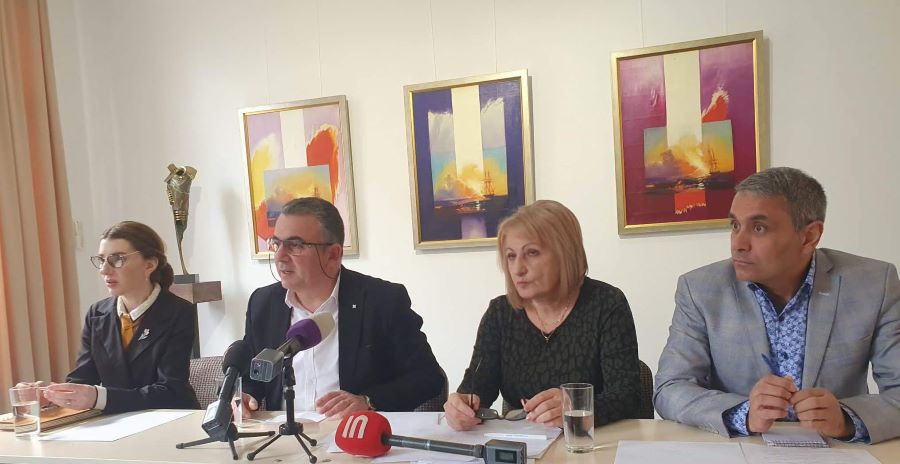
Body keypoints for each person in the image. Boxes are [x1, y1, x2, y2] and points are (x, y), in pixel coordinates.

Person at [654, 167, 900, 444]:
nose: (738, 244)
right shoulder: (701, 289)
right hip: (740, 450)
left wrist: (846, 419)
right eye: (735, 226)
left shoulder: (873, 284)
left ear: (809, 236)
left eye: (758, 228)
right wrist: (743, 413)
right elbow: (669, 388)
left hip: (837, 452)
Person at [443, 200, 641, 431]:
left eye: (532, 253)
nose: (518, 269)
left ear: (565, 254)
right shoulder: (500, 313)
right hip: (525, 442)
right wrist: (461, 406)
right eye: (511, 256)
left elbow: (627, 397)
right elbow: (477, 389)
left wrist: (578, 407)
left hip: (590, 441)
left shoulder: (606, 304)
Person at [241, 197, 444, 418]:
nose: (280, 256)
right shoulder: (263, 303)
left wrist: (368, 401)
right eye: (276, 243)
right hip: (282, 433)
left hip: (352, 432)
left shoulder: (382, 301)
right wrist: (245, 396)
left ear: (333, 254)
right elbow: (253, 377)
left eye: (295, 245)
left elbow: (428, 377)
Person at [20, 221, 199, 413]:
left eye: (117, 259)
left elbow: (170, 391)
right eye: (101, 260)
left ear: (149, 265)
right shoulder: (97, 313)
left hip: (171, 419)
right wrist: (49, 395)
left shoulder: (179, 312)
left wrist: (99, 398)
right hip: (116, 422)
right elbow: (83, 380)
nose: (104, 270)